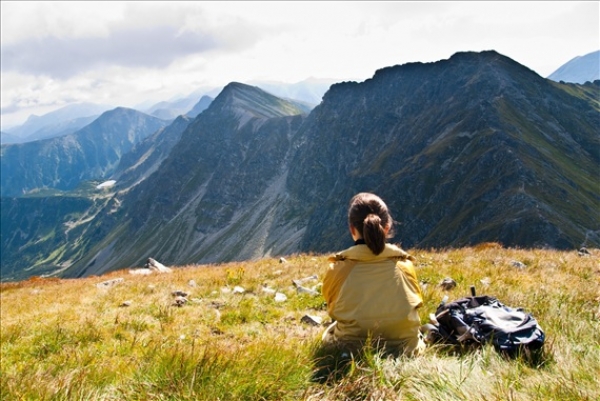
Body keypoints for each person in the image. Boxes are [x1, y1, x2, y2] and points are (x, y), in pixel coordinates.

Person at [321, 192, 425, 356]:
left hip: (351, 349)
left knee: (330, 331)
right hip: (405, 349)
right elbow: (416, 302)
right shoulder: (404, 265)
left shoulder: (338, 268)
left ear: (352, 229)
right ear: (387, 228)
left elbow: (331, 303)